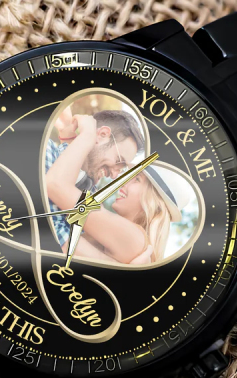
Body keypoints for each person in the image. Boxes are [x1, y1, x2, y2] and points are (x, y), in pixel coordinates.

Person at [46, 114, 191, 264]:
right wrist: (69, 137)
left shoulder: (134, 238)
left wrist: (88, 135)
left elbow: (56, 185)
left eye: (137, 179)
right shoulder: (121, 235)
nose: (121, 182)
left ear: (152, 200)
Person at [45, 103, 144, 248]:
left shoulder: (88, 192)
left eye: (121, 169)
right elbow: (49, 233)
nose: (114, 175)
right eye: (119, 161)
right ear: (102, 135)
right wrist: (85, 136)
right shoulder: (45, 153)